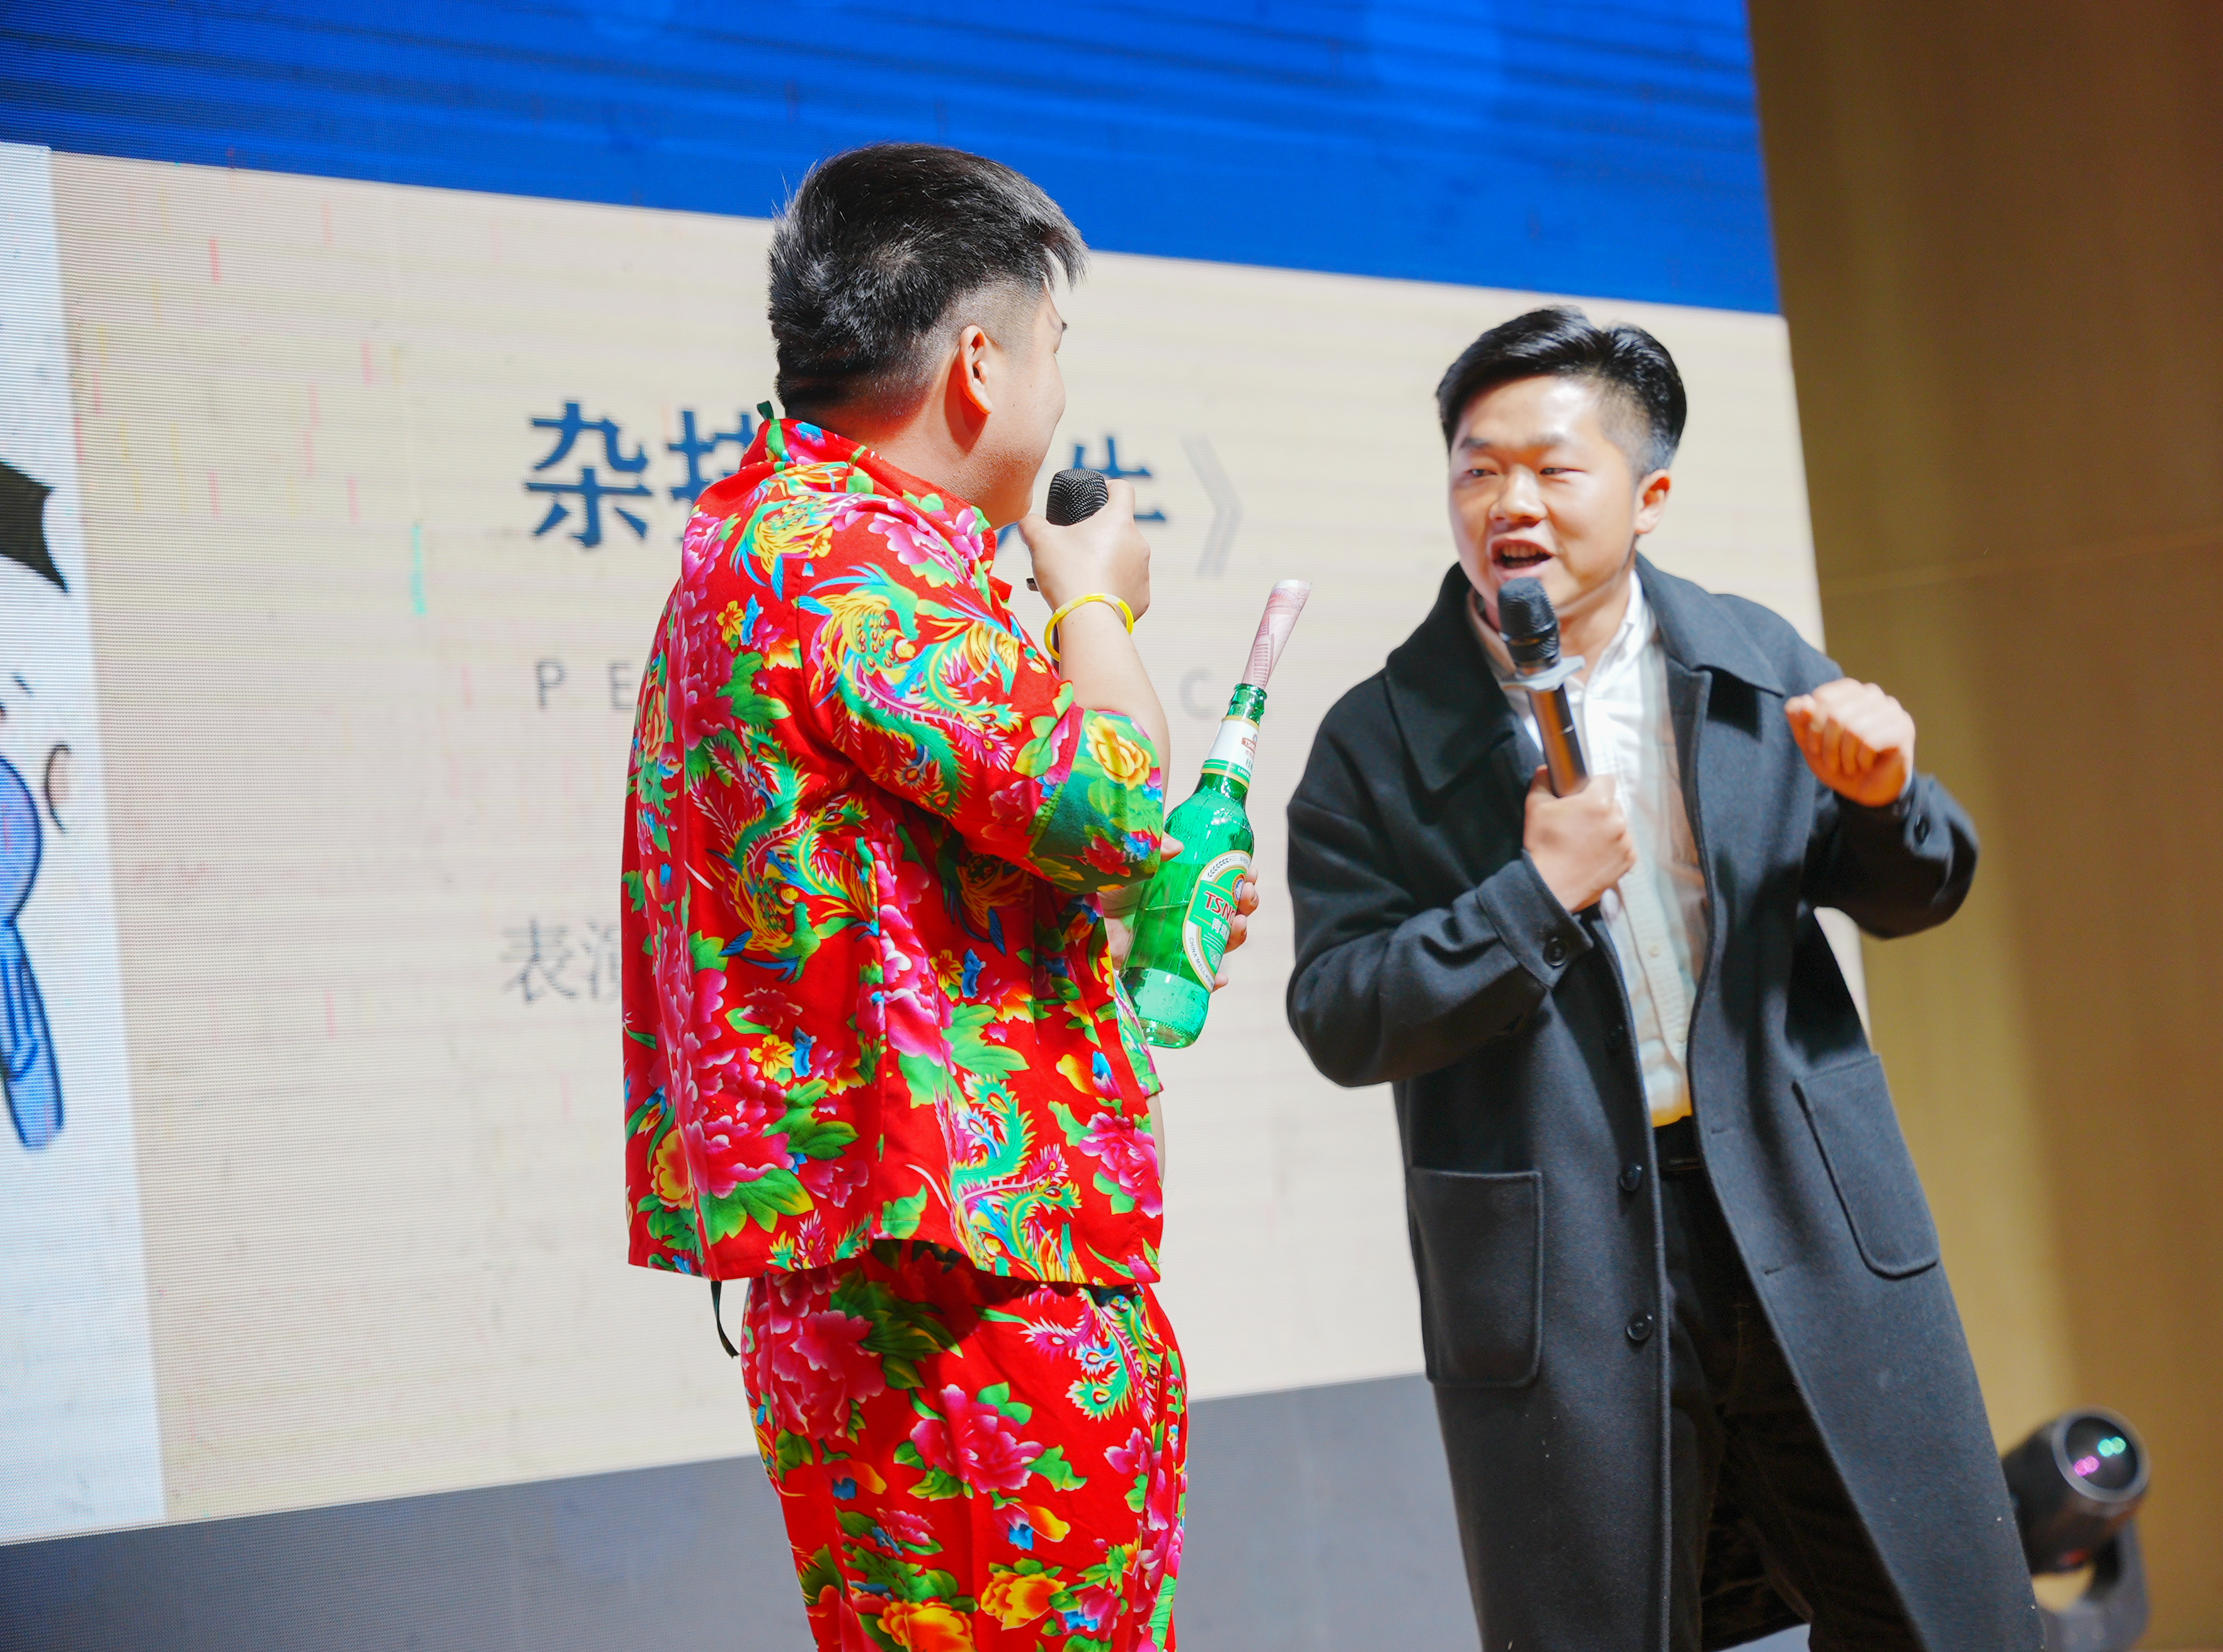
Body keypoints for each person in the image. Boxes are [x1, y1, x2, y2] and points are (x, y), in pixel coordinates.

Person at [1284, 307, 2042, 1651]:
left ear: (1649, 497)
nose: (1509, 503)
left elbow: (1912, 890)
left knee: (1932, 1609)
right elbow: (1341, 1014)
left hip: (1802, 1211)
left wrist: (1886, 802)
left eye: (1552, 468)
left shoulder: (1749, 661)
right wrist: (1529, 898)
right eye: (1476, 469)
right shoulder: (1377, 737)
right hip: (1564, 1253)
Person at [619, 142, 1250, 1652]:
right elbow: (1107, 801)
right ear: (979, 365)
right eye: (1050, 346)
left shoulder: (771, 541)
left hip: (920, 1279)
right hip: (957, 1300)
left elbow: (915, 903)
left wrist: (1113, 937)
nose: (1054, 389)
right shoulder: (847, 557)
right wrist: (1091, 597)